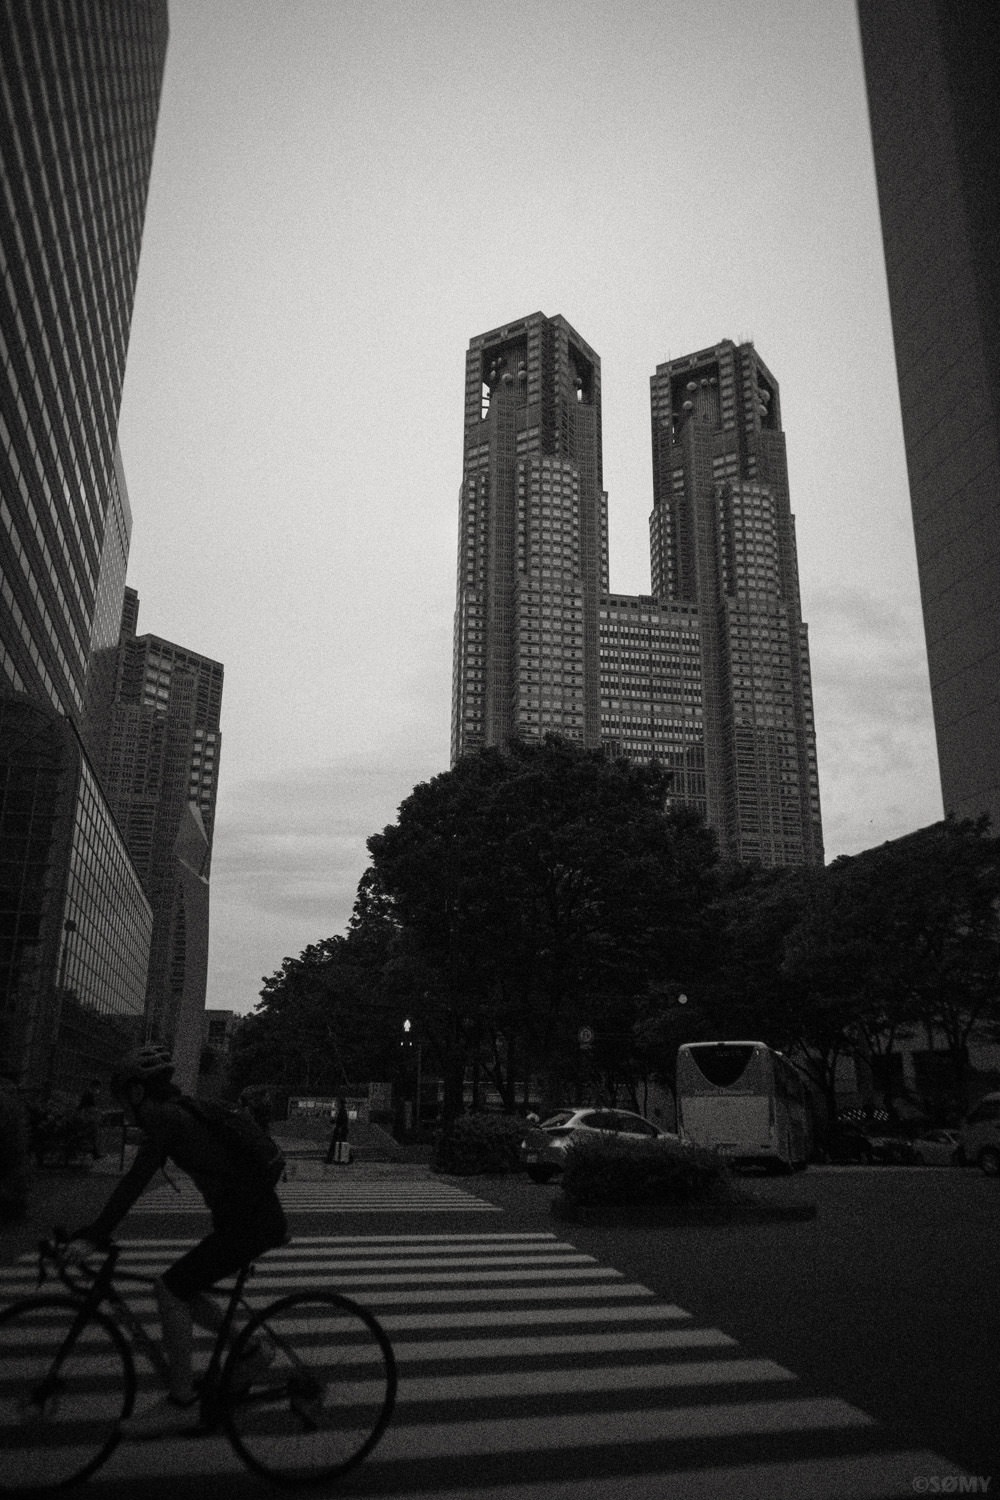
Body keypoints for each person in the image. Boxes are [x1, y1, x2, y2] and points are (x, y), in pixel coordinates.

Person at [67, 1044, 287, 1440]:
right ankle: (250, 1350)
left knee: (170, 1289)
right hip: (250, 1219)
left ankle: (182, 1401)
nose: (122, 1108)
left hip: (250, 1223)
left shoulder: (165, 1119)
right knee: (184, 1288)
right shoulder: (181, 1110)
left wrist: (96, 1236)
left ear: (137, 1092)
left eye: (122, 1098)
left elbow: (135, 1180)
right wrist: (96, 1232)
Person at [76, 1078, 104, 1159]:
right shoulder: (89, 1095)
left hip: (87, 1117)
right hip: (88, 1118)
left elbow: (82, 1106)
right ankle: (94, 1152)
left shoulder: (88, 1094)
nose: (98, 1090)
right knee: (94, 1133)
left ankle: (94, 1152)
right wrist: (98, 1112)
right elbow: (90, 1107)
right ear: (94, 1086)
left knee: (93, 1134)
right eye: (98, 1088)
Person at [324, 1095, 349, 1164]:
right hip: (341, 1131)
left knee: (335, 1145)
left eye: (337, 1102)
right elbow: (338, 1121)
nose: (336, 1104)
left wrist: (338, 1127)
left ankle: (330, 1159)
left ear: (340, 1103)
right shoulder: (341, 1111)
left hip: (340, 1131)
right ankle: (341, 1159)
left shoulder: (342, 1112)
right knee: (339, 1145)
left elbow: (341, 1122)